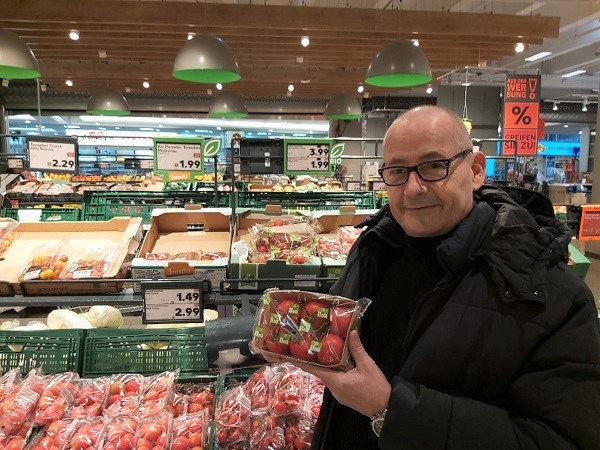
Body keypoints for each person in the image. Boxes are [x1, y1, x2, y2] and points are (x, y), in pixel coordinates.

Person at [276, 106, 600, 449]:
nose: (413, 188)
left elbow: (564, 440)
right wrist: (291, 337)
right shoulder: (371, 248)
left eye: (433, 166)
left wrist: (390, 409)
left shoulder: (549, 295)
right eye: (397, 171)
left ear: (475, 171)